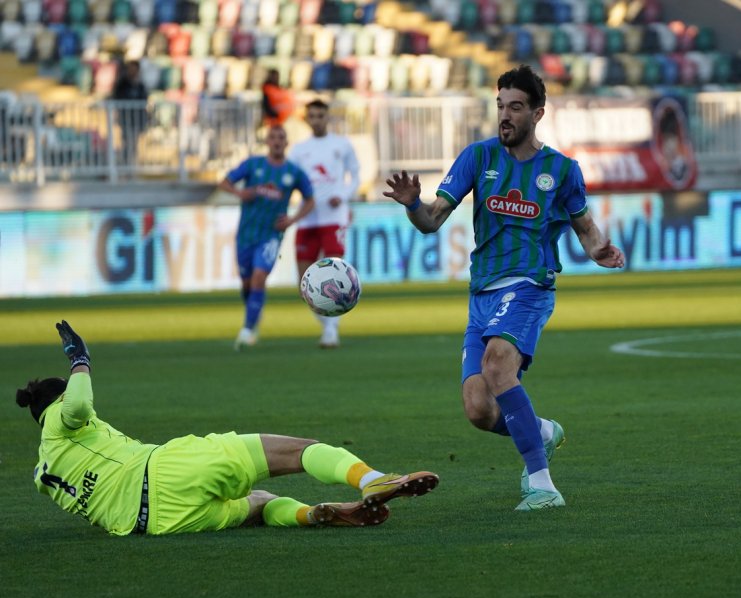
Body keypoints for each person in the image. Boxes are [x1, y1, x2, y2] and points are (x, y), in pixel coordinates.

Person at [383, 64, 625, 511]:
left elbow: (585, 227)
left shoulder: (562, 170)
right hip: (483, 295)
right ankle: (542, 431)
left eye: (516, 107)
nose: (505, 116)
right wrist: (413, 203)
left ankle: (542, 485)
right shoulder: (478, 158)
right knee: (478, 408)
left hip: (530, 286)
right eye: (500, 107)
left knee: (498, 367)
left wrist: (599, 250)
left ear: (538, 113)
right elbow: (432, 221)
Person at [16, 321, 439, 536]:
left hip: (158, 524)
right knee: (298, 450)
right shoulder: (58, 418)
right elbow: (79, 402)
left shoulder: (43, 474)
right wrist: (79, 360)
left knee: (258, 503)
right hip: (163, 471)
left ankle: (313, 515)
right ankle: (372, 480)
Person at [218, 125, 315, 350]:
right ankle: (254, 313)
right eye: (273, 137)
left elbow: (310, 199)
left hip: (271, 235)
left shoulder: (294, 172)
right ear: (267, 142)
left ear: (286, 142)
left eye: (281, 137)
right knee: (246, 284)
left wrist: (292, 219)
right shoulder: (253, 164)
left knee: (259, 277)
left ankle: (247, 330)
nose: (277, 141)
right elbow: (224, 182)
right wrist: (239, 193)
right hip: (246, 234)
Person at [288, 99, 362, 348]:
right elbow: (291, 182)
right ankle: (328, 325)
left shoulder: (341, 145)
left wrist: (343, 196)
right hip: (307, 218)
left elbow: (356, 174)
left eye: (321, 115)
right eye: (313, 116)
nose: (317, 120)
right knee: (304, 283)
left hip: (334, 218)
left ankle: (331, 330)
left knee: (334, 275)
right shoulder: (299, 150)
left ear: (327, 117)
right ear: (307, 119)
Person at [111, 60, 149, 168]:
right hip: (126, 119)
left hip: (137, 120)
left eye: (134, 69)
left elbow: (144, 101)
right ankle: (125, 165)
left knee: (134, 144)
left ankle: (131, 166)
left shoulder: (141, 85)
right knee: (126, 143)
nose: (132, 71)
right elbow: (117, 98)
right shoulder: (122, 84)